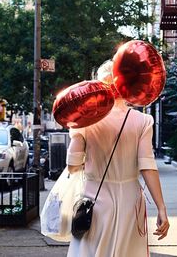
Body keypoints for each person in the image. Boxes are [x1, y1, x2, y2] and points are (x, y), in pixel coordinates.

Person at [65, 60, 169, 257]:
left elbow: (72, 166)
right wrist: (161, 207)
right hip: (130, 199)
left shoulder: (85, 121)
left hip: (94, 198)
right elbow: (147, 166)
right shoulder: (143, 121)